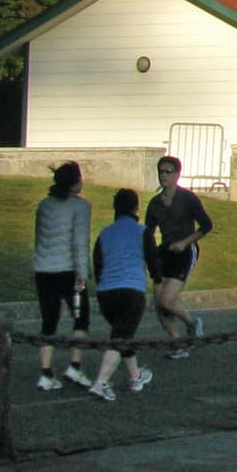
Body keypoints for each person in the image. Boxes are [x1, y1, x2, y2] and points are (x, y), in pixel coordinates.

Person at [29, 161, 92, 392]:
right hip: (68, 270)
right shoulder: (81, 207)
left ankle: (46, 373)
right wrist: (82, 274)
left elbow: (39, 237)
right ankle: (74, 366)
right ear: (75, 182)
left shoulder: (44, 205)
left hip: (44, 269)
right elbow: (80, 242)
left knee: (49, 321)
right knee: (81, 319)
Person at [88, 188, 154, 400]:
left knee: (123, 333)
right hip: (132, 291)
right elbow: (154, 260)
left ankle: (136, 376)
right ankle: (101, 382)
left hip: (106, 292)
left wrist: (102, 286)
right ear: (136, 208)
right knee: (120, 336)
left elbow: (97, 264)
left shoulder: (105, 233)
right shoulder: (142, 231)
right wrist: (158, 278)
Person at [144, 154, 214, 354]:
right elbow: (148, 232)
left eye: (168, 172)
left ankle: (192, 323)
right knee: (159, 304)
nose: (164, 176)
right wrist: (151, 255)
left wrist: (185, 243)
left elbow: (207, 226)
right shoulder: (155, 203)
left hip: (185, 250)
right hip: (165, 252)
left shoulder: (187, 198)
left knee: (168, 300)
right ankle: (178, 343)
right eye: (161, 172)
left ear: (177, 175)